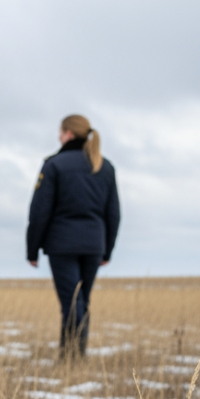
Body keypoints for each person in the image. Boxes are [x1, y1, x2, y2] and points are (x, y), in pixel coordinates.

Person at [25, 114, 121, 360]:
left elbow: (39, 211)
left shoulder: (54, 165)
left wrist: (32, 249)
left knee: (70, 301)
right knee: (82, 301)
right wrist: (107, 250)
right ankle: (74, 355)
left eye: (60, 131)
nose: (58, 136)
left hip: (62, 245)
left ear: (68, 133)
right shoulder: (105, 166)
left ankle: (71, 358)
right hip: (93, 245)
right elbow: (113, 214)